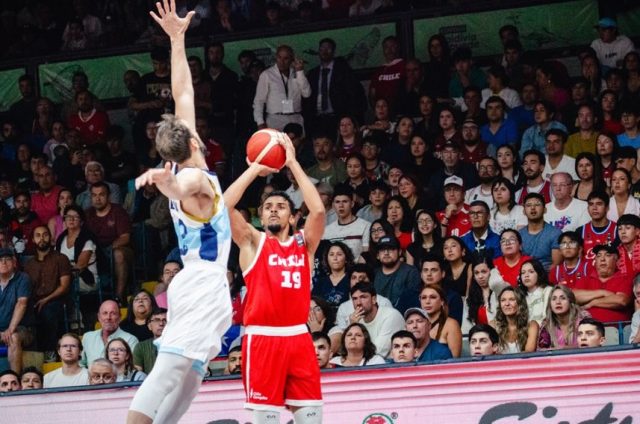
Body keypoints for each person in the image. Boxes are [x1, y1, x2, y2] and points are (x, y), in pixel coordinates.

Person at [128, 4, 233, 423]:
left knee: (192, 374)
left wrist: (177, 38)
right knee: (171, 367)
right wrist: (160, 180)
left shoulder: (181, 161)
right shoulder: (195, 180)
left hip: (204, 283)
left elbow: (182, 90)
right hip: (202, 280)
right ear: (192, 143)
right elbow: (181, 187)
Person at [225, 138, 323, 424]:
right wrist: (255, 169)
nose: (273, 209)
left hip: (299, 337)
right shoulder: (252, 242)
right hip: (262, 338)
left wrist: (292, 163)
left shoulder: (304, 244)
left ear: (293, 218)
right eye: (268, 206)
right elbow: (224, 206)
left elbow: (317, 211)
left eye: (281, 206)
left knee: (313, 419)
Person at [24, 225, 71, 361]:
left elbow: (64, 287)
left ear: (50, 238)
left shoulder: (60, 258)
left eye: (45, 235)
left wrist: (46, 300)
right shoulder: (29, 264)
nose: (41, 238)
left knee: (47, 311)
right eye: (38, 235)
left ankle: (49, 351)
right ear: (33, 239)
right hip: (34, 301)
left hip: (56, 299)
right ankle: (33, 354)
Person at [303, 38, 366, 132]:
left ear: (333, 51)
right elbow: (307, 98)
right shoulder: (312, 74)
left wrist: (351, 117)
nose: (325, 51)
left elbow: (356, 94)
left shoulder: (343, 70)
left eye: (328, 48)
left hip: (339, 118)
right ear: (318, 51)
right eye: (322, 48)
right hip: (318, 120)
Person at [84, 182, 133, 301]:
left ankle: (119, 296)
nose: (97, 198)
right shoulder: (88, 214)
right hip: (96, 251)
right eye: (94, 195)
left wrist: (110, 248)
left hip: (117, 249)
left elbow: (125, 237)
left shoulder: (118, 212)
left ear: (109, 196)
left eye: (101, 195)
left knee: (118, 254)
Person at [253, 44, 310, 131]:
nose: (282, 61)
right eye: (279, 57)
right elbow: (259, 101)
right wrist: (260, 122)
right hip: (275, 120)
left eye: (286, 58)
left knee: (296, 144)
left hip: (296, 118)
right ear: (276, 57)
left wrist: (300, 71)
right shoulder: (267, 74)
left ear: (292, 59)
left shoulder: (297, 73)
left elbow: (307, 94)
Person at [341, 282, 404, 357]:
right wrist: (353, 326)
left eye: (363, 297)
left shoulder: (391, 316)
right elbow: (346, 352)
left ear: (374, 299)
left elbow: (378, 352)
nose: (358, 303)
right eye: (355, 299)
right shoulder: (354, 320)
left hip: (390, 365)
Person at [574, 244, 633, 323]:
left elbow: (621, 301)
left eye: (607, 255)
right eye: (598, 256)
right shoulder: (585, 279)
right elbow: (574, 297)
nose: (602, 259)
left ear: (617, 260)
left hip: (617, 330)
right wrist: (603, 292)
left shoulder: (624, 279)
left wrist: (592, 303)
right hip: (588, 329)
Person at [0, 245, 33, 374]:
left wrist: (10, 329)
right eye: (0, 259)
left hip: (22, 329)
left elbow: (21, 304)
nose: (3, 262)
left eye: (7, 259)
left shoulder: (23, 278)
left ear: (14, 262)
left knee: (13, 338)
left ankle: (15, 379)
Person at [81, 300, 138, 367]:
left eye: (113, 313)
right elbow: (81, 364)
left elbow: (132, 368)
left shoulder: (130, 340)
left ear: (119, 317)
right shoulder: (88, 337)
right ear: (99, 317)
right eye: (105, 313)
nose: (108, 317)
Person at [373, 235, 421, 314]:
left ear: (400, 252)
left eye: (391, 249)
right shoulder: (373, 274)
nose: (386, 253)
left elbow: (412, 304)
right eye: (382, 250)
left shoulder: (410, 272)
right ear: (378, 255)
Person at [322, 184, 370, 259]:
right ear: (333, 206)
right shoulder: (327, 231)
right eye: (337, 202)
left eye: (345, 201)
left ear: (352, 204)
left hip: (357, 269)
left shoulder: (365, 226)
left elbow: (366, 255)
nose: (341, 205)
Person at [538, 285, 590, 350]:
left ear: (570, 302)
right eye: (554, 299)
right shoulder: (547, 326)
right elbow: (542, 351)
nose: (558, 302)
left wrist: (562, 349)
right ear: (550, 305)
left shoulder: (583, 322)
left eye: (563, 298)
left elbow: (590, 346)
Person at [519, 192, 562, 270]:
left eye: (537, 205)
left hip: (547, 278)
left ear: (545, 210)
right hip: (525, 276)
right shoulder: (519, 234)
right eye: (528, 205)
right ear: (524, 211)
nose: (532, 208)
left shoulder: (555, 233)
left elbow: (556, 264)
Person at [491, 286, 539, 353]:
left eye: (512, 299)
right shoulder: (493, 326)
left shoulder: (532, 325)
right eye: (503, 300)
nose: (507, 304)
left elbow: (528, 354)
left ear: (520, 303)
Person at [419, 285, 462, 357]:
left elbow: (455, 360)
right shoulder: (415, 325)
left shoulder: (451, 325)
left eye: (432, 297)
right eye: (423, 298)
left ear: (442, 301)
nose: (427, 301)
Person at [312, 241, 354, 310]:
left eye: (339, 254)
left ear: (346, 259)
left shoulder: (352, 279)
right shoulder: (320, 283)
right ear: (327, 259)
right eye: (331, 254)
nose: (335, 258)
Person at [133, 308, 167, 374]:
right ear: (149, 326)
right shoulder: (141, 347)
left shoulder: (178, 345)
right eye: (156, 320)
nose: (161, 323)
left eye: (165, 320)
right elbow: (137, 375)